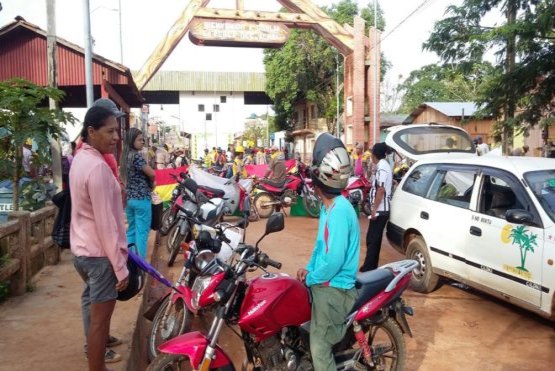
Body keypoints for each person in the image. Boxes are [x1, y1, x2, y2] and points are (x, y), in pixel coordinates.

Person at [69, 106, 129, 370]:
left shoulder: (79, 159)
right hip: (100, 255)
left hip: (82, 252)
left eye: (117, 131)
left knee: (93, 311)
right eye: (110, 131)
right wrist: (120, 267)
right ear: (91, 132)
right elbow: (106, 224)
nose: (116, 137)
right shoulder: (98, 169)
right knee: (100, 322)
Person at [296, 133, 359, 371]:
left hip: (336, 289)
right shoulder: (328, 206)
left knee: (319, 347)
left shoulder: (340, 211)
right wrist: (309, 269)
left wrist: (312, 277)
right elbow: (320, 247)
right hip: (325, 281)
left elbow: (333, 261)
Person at [119, 128, 156, 260]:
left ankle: (129, 260)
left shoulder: (124, 157)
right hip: (141, 199)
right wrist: (152, 182)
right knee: (142, 233)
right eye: (139, 140)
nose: (142, 142)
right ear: (131, 141)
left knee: (132, 230)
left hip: (130, 200)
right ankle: (140, 264)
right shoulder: (136, 156)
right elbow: (152, 173)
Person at [360, 142, 393, 272]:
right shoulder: (382, 166)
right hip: (380, 209)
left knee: (372, 239)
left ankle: (369, 268)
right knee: (373, 238)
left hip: (381, 210)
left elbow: (381, 189)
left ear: (374, 155)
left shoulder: (382, 167)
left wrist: (374, 210)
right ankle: (370, 266)